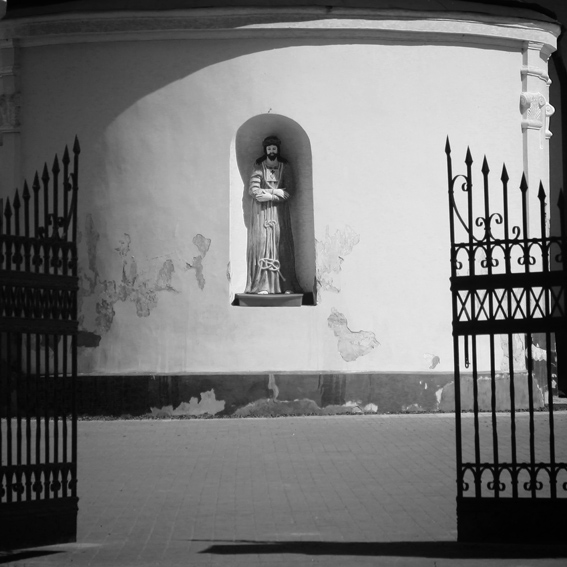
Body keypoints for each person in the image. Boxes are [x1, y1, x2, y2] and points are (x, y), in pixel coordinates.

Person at [245, 135, 300, 294]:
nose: (271, 151)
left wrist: (271, 196)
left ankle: (286, 285)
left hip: (279, 213)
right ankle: (262, 285)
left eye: (274, 148)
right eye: (269, 149)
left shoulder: (285, 166)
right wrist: (275, 192)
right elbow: (253, 190)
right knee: (262, 244)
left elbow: (290, 190)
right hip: (261, 213)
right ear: (265, 150)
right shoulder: (259, 166)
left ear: (278, 149)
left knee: (281, 244)